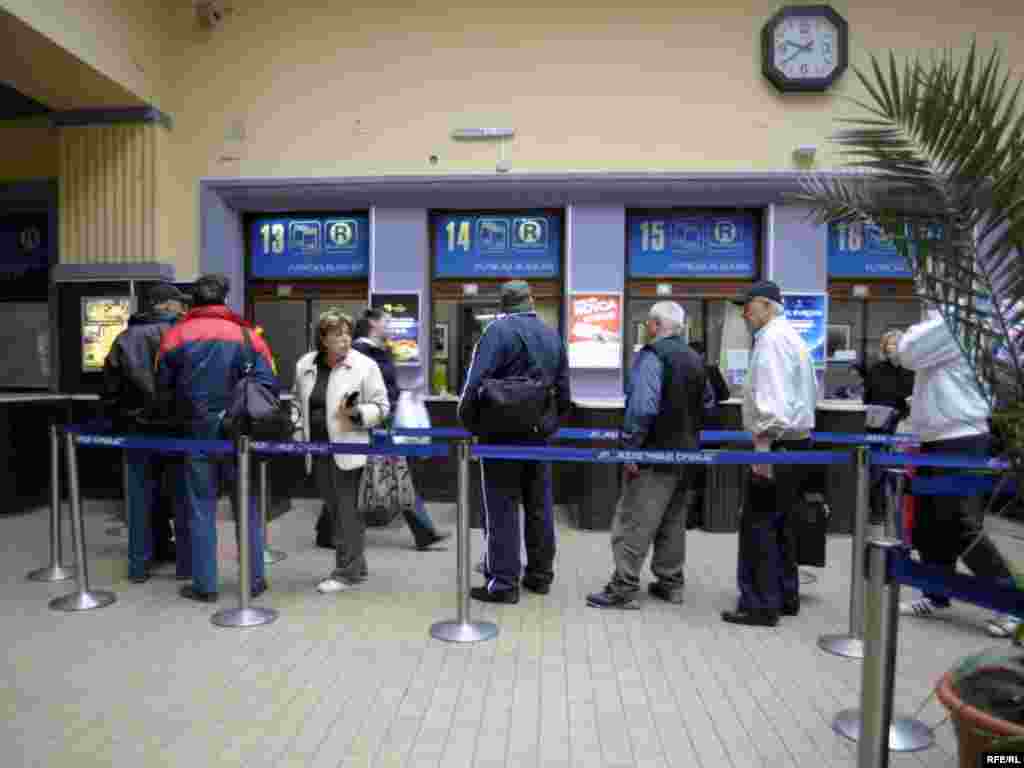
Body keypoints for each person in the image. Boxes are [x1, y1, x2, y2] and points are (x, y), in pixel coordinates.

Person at [896, 310, 1020, 637]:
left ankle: (1010, 602)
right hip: (939, 437)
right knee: (930, 523)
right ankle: (936, 594)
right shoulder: (956, 318)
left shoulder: (959, 316)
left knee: (961, 522)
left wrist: (908, 335)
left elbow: (907, 351)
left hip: (960, 438)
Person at [155, 274, 273, 603]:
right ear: (225, 297)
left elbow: (161, 392)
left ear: (193, 299)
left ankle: (205, 585)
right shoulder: (249, 336)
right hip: (240, 434)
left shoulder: (175, 336)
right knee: (246, 506)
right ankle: (254, 579)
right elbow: (268, 384)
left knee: (200, 508)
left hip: (195, 435)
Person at [586, 302, 706, 609]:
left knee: (633, 520)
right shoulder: (695, 358)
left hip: (655, 453)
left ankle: (622, 588)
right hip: (688, 455)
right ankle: (671, 583)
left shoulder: (653, 356)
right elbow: (708, 403)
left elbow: (642, 408)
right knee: (672, 522)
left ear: (653, 326)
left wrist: (630, 449)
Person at [458, 280, 571, 604]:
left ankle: (504, 583)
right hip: (538, 436)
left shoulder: (496, 332)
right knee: (539, 506)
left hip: (499, 438)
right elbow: (565, 394)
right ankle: (539, 575)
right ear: (531, 300)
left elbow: (473, 384)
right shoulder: (552, 335)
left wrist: (473, 426)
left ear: (503, 304)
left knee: (501, 509)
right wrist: (548, 426)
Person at [725, 280, 817, 627]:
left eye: (747, 306)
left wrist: (762, 452)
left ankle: (760, 605)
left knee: (758, 524)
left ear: (765, 305)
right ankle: (784, 595)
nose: (745, 314)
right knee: (782, 525)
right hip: (795, 443)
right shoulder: (791, 337)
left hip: (775, 444)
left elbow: (772, 405)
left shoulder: (771, 341)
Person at [293, 309, 390, 594]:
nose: (345, 339)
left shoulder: (364, 365)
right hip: (318, 450)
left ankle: (346, 571)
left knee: (348, 512)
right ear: (323, 339)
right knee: (337, 511)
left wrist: (358, 413)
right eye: (337, 334)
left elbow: (382, 407)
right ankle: (356, 566)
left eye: (348, 333)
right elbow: (297, 404)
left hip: (350, 448)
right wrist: (298, 430)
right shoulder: (305, 365)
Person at [102, 282, 189, 583]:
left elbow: (110, 389)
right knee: (182, 498)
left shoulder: (124, 338)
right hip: (179, 431)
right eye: (179, 303)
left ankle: (139, 566)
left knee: (140, 499)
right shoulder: (182, 336)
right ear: (164, 305)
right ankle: (186, 567)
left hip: (137, 430)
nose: (183, 308)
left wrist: (123, 418)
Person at [348, 308, 449, 550]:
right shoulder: (361, 352)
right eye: (386, 321)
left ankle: (327, 529)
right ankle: (424, 531)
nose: (390, 326)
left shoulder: (379, 351)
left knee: (357, 475)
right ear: (373, 323)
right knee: (396, 473)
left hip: (382, 420)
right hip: (373, 422)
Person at [863, 331, 915, 424]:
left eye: (895, 344)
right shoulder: (875, 369)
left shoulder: (913, 370)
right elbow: (868, 397)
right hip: (878, 420)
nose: (890, 347)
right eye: (888, 344)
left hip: (905, 421)